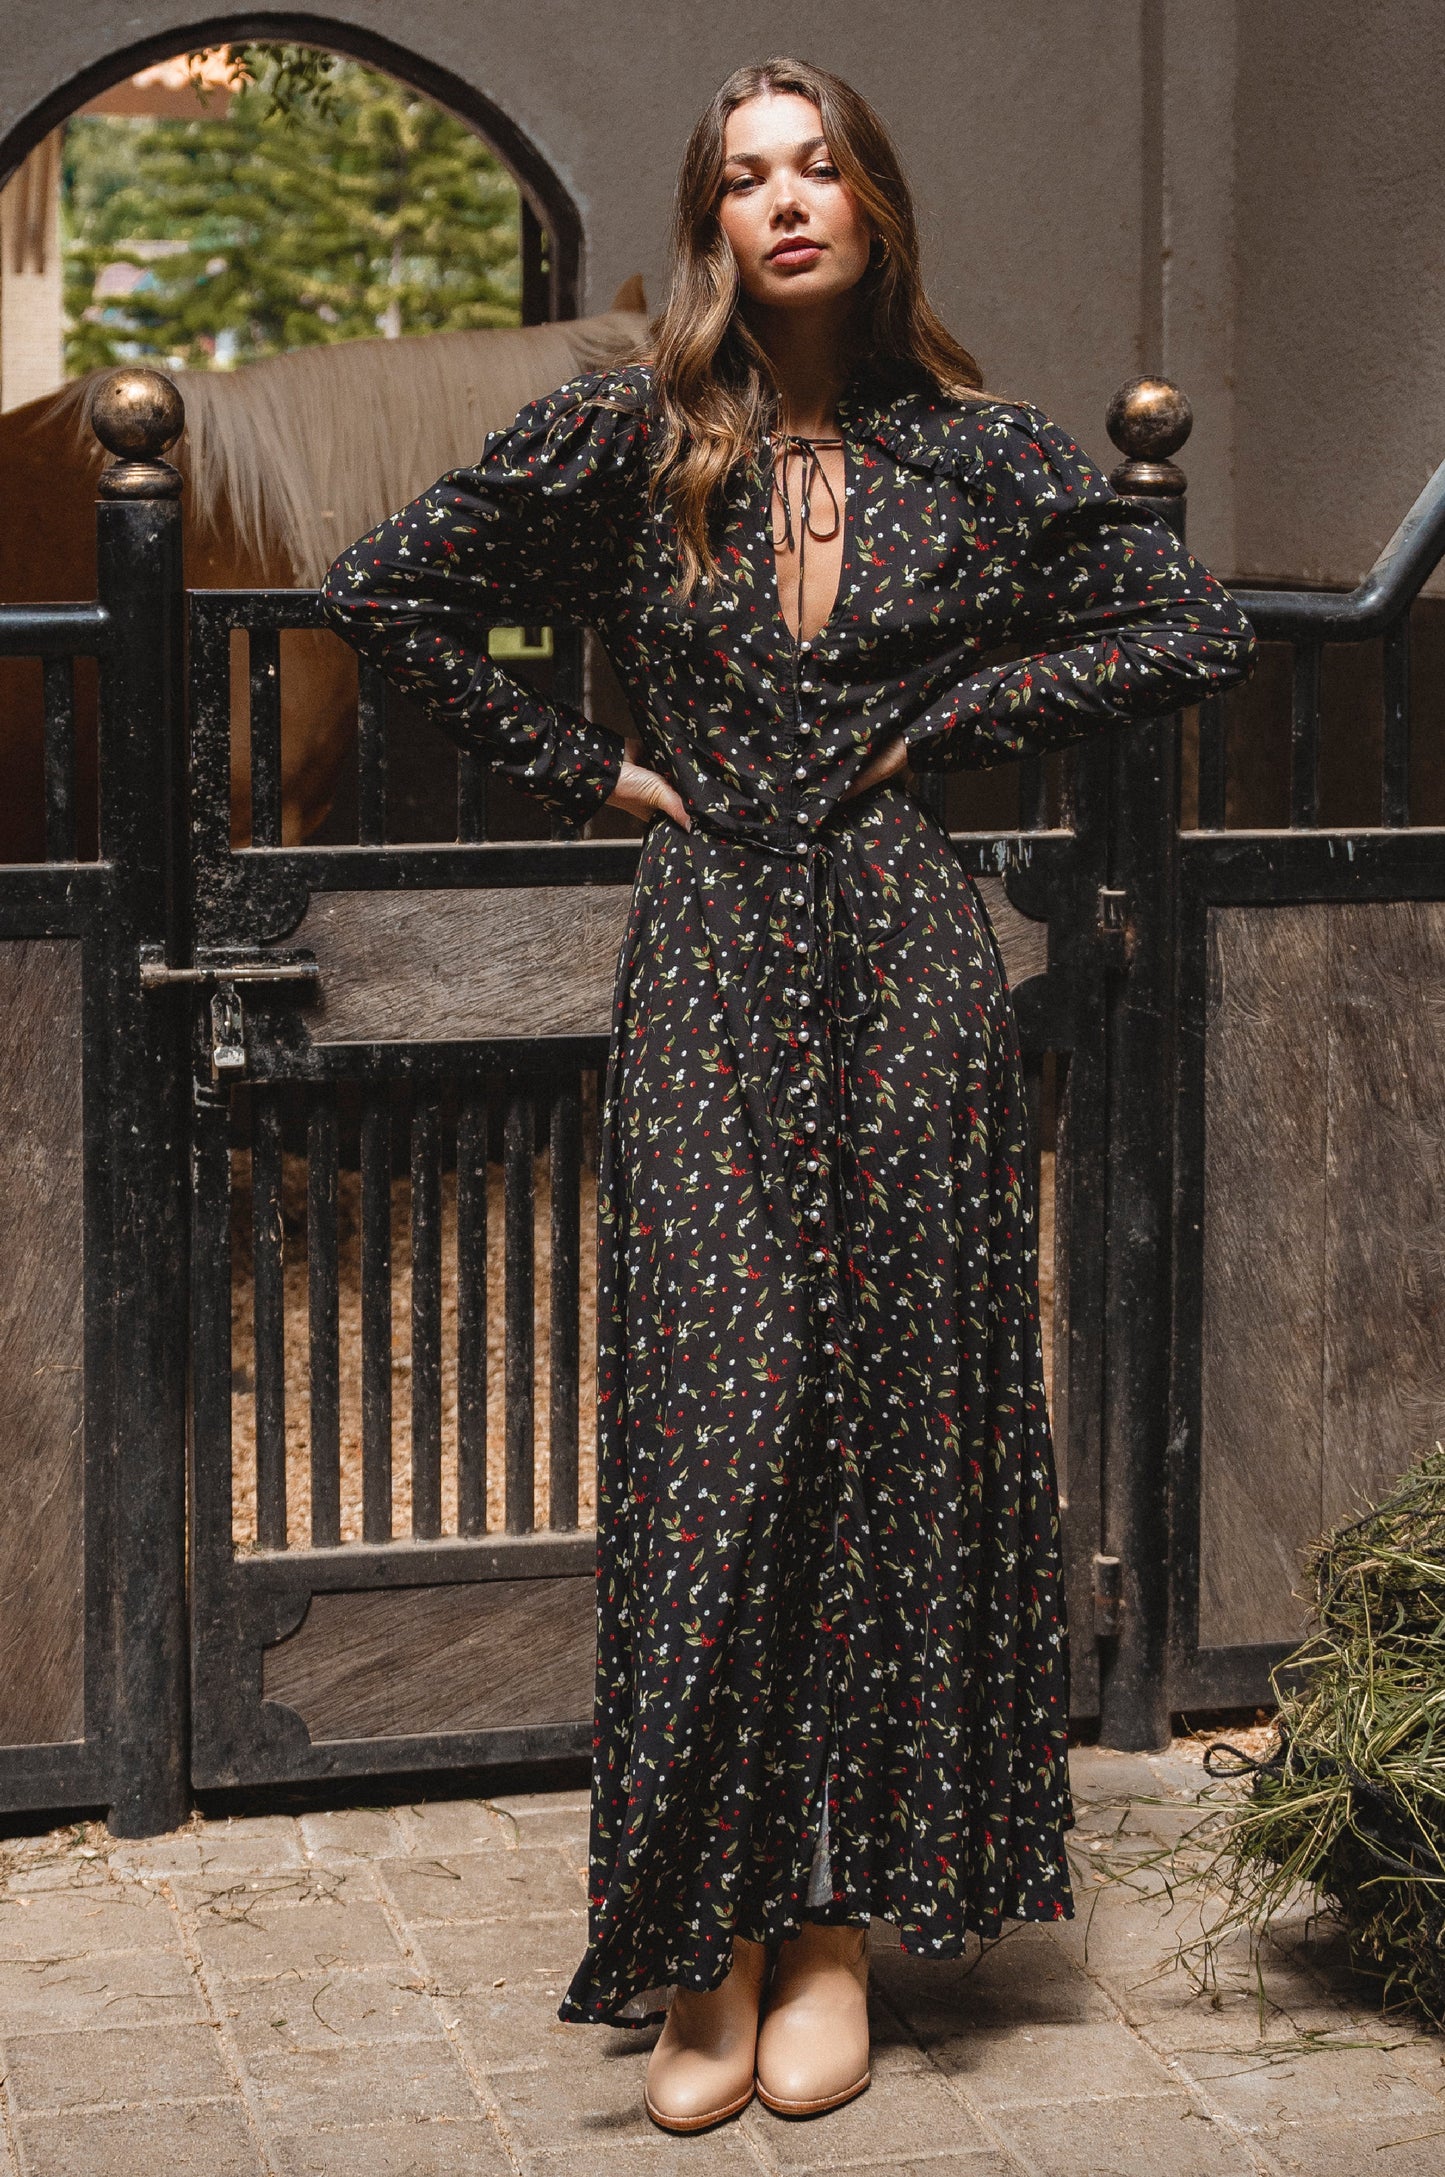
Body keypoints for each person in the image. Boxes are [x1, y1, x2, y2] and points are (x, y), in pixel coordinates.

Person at [321, 54, 1256, 2137]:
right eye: (746, 176)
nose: (786, 200)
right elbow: (382, 589)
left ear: (873, 198)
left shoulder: (978, 457)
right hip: (718, 972)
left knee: (898, 1419)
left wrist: (950, 718)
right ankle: (699, 1941)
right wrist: (593, 768)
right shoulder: (632, 438)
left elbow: (1187, 629)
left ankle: (836, 1923)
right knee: (719, 1441)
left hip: (910, 974)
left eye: (817, 161)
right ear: (711, 224)